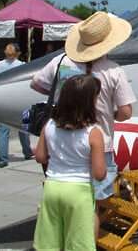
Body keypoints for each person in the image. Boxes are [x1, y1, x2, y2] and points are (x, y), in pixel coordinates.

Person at [30, 11, 136, 236]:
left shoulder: (60, 61)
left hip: (60, 140)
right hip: (100, 145)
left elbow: (37, 84)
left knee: (63, 199)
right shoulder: (113, 70)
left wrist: (61, 96)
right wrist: (110, 115)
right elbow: (126, 112)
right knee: (90, 208)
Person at [33, 74, 106, 251]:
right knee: (78, 243)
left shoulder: (49, 125)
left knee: (49, 242)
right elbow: (99, 173)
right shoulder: (93, 132)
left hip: (52, 187)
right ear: (89, 102)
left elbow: (40, 156)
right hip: (79, 192)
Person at [0, 43, 33, 168]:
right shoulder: (23, 66)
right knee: (24, 127)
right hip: (21, 100)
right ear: (18, 53)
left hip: (3, 100)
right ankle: (27, 152)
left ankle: (3, 158)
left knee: (3, 130)